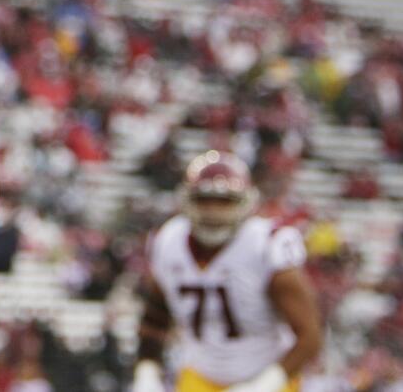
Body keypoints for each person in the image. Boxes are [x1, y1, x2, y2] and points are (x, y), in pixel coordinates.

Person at [132, 151, 322, 392]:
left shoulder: (266, 245)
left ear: (245, 202)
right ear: (187, 200)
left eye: (224, 201)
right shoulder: (170, 241)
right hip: (200, 374)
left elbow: (310, 336)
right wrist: (146, 374)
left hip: (267, 372)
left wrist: (264, 385)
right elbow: (155, 319)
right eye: (204, 199)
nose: (212, 211)